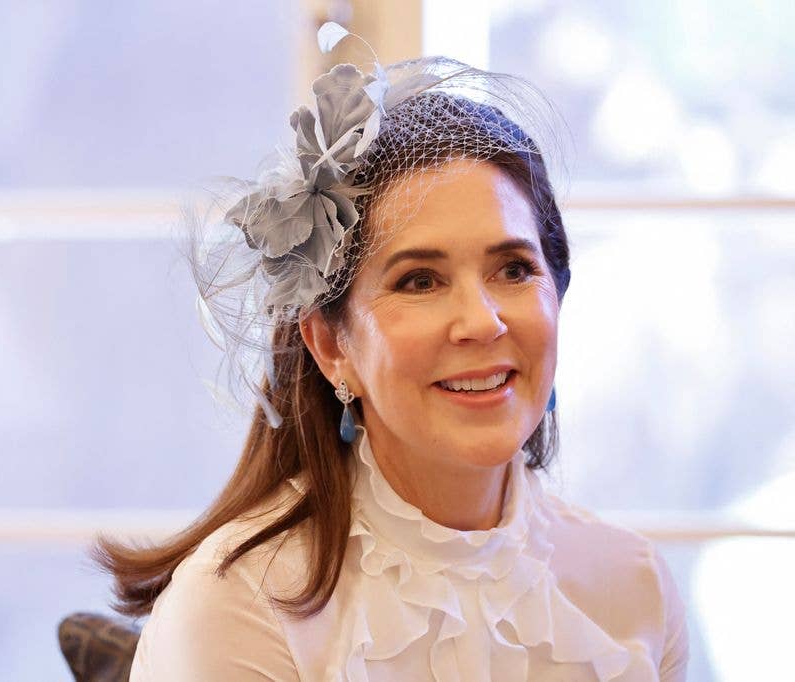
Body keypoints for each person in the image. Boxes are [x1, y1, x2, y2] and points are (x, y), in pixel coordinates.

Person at [95, 23, 688, 681]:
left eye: (514, 269)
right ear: (329, 345)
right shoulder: (236, 605)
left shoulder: (635, 589)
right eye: (420, 280)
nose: (481, 322)